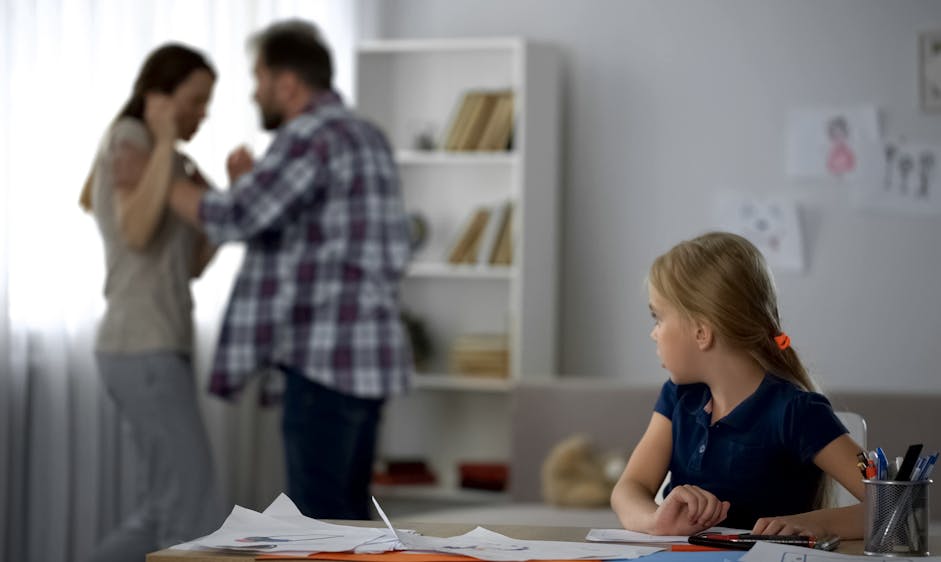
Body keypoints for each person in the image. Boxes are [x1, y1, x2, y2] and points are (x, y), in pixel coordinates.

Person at [168, 19, 413, 520]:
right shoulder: (367, 134)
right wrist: (250, 185)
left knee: (316, 528)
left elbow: (237, 217)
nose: (255, 91)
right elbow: (316, 232)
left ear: (287, 82)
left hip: (323, 361)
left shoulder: (308, 135)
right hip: (370, 359)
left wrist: (169, 184)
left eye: (258, 78)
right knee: (350, 525)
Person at [610, 231, 865, 539]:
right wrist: (655, 521)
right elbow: (628, 489)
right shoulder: (677, 397)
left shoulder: (797, 411)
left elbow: (895, 508)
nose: (654, 333)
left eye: (658, 318)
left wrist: (817, 524)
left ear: (702, 332)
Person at [80, 43, 221, 561]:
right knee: (195, 512)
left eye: (208, 104)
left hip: (158, 345)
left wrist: (222, 208)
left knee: (167, 510)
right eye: (195, 100)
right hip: (141, 346)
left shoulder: (173, 159)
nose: (203, 114)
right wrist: (164, 140)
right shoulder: (131, 140)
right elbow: (136, 233)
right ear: (157, 96)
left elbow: (188, 266)